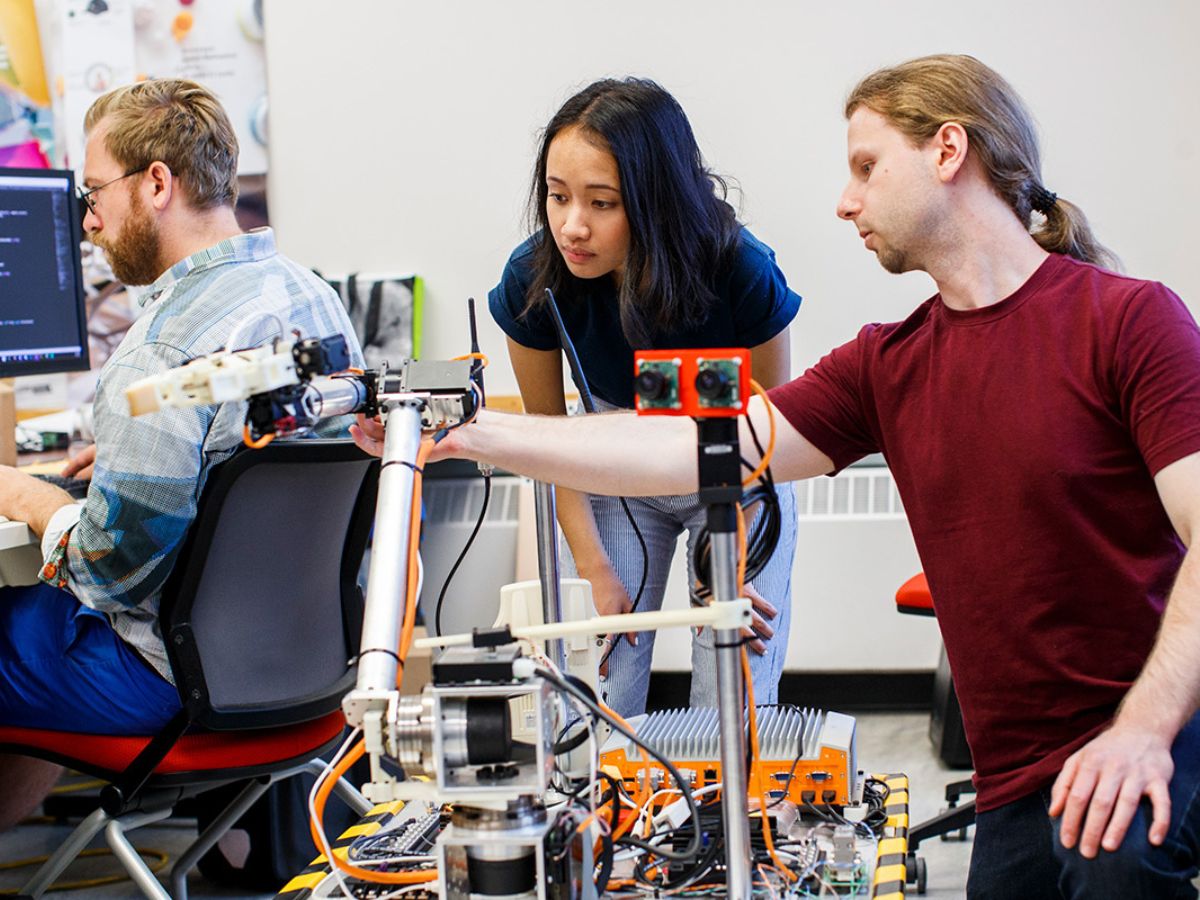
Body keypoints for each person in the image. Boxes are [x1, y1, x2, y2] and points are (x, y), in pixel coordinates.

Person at [355, 55, 1200, 897]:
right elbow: (687, 446)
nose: (845, 201)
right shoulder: (886, 366)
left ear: (948, 152)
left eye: (866, 167)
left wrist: (1143, 729)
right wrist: (471, 431)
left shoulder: (1128, 321)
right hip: (1020, 781)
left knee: (1116, 864)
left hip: (1156, 744)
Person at [0, 78, 363, 829]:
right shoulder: (312, 300)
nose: (88, 221)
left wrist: (32, 499)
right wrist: (149, 452)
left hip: (173, 685)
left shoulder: (158, 354)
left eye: (94, 193)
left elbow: (109, 572)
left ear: (157, 183)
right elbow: (242, 425)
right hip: (309, 671)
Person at [487, 77, 802, 717]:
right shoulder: (533, 277)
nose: (572, 226)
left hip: (733, 466)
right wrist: (593, 570)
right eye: (557, 196)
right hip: (611, 468)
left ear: (657, 200)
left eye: (601, 203)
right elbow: (550, 443)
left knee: (730, 694)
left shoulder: (740, 267)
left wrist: (736, 561)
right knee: (596, 693)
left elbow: (773, 429)